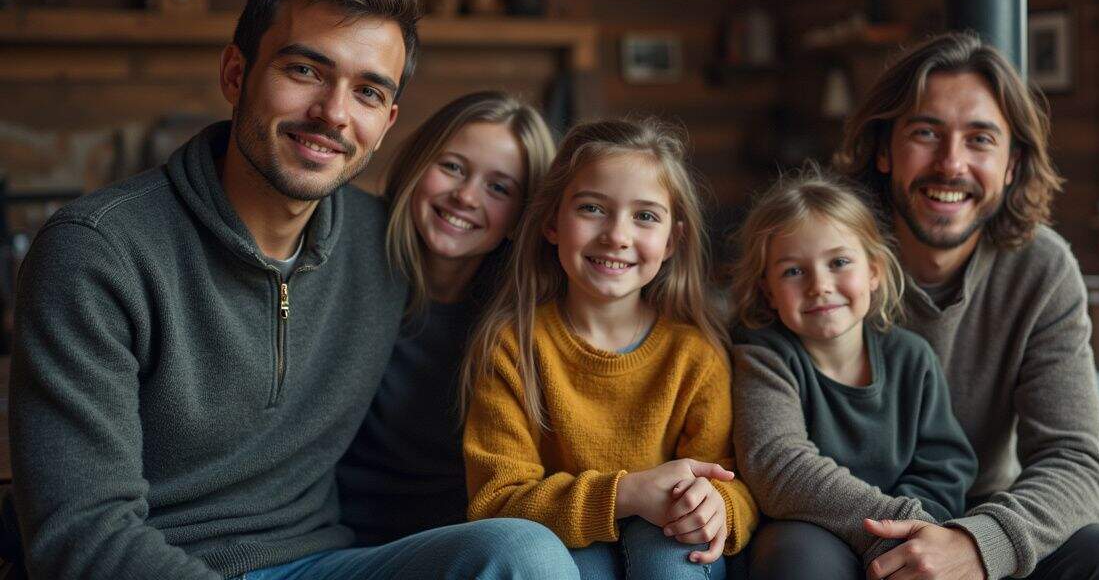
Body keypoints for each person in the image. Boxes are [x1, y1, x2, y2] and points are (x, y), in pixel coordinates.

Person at [4, 0, 575, 580]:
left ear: (385, 123)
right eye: (305, 70)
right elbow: (82, 537)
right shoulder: (98, 250)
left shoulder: (382, 241)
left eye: (366, 91)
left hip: (323, 564)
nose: (332, 113)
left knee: (523, 555)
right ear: (234, 74)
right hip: (160, 564)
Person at [833, 31, 1099, 580]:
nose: (950, 163)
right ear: (885, 150)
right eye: (925, 133)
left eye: (980, 139)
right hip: (845, 522)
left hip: (984, 518)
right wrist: (907, 538)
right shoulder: (822, 253)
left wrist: (976, 544)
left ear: (1011, 165)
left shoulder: (1042, 268)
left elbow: (1076, 462)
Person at [461, 118, 759, 579]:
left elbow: (733, 482)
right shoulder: (513, 347)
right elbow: (495, 501)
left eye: (645, 216)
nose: (617, 235)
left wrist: (718, 506)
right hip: (565, 547)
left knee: (671, 551)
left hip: (669, 549)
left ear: (672, 240)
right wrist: (625, 495)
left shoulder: (695, 355)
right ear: (552, 223)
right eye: (592, 208)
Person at [728, 166, 977, 580]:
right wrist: (889, 530)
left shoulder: (912, 358)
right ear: (768, 290)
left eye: (839, 262)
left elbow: (944, 468)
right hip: (809, 534)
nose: (819, 285)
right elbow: (779, 467)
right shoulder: (764, 356)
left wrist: (914, 533)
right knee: (796, 554)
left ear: (874, 271)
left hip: (908, 530)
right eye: (793, 271)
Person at [337, 90, 556, 544]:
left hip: (457, 543)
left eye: (499, 188)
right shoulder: (343, 259)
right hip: (330, 538)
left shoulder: (522, 324)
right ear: (419, 166)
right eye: (453, 167)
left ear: (522, 217)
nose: (465, 197)